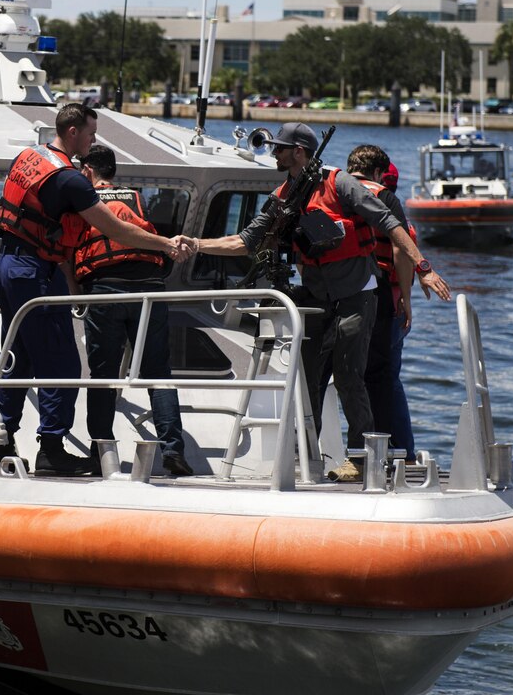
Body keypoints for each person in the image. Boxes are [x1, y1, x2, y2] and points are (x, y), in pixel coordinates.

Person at [190, 123, 450, 481]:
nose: (275, 154)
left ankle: (360, 459)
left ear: (299, 151)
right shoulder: (283, 195)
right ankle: (305, 453)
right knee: (309, 376)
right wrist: (196, 244)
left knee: (348, 374)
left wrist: (423, 268)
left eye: (280, 148)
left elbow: (390, 224)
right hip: (316, 297)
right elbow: (246, 241)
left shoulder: (340, 183)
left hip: (357, 293)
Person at [0, 103, 190, 476]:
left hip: (10, 263)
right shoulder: (70, 179)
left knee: (18, 356)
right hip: (34, 268)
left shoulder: (29, 155)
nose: (93, 140)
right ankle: (51, 447)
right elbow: (114, 229)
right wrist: (165, 244)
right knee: (63, 363)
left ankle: (1, 438)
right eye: (90, 134)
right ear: (72, 133)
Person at [72, 145, 192, 477]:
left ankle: (101, 454)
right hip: (149, 288)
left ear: (88, 172)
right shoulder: (137, 198)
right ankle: (173, 452)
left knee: (104, 377)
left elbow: (68, 247)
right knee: (158, 374)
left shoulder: (84, 201)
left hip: (106, 288)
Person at [346, 146, 421, 459]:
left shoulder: (333, 193)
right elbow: (400, 250)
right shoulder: (386, 198)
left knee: (350, 378)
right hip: (381, 299)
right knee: (385, 379)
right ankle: (401, 451)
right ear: (380, 174)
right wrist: (406, 297)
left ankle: (357, 450)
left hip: (340, 298)